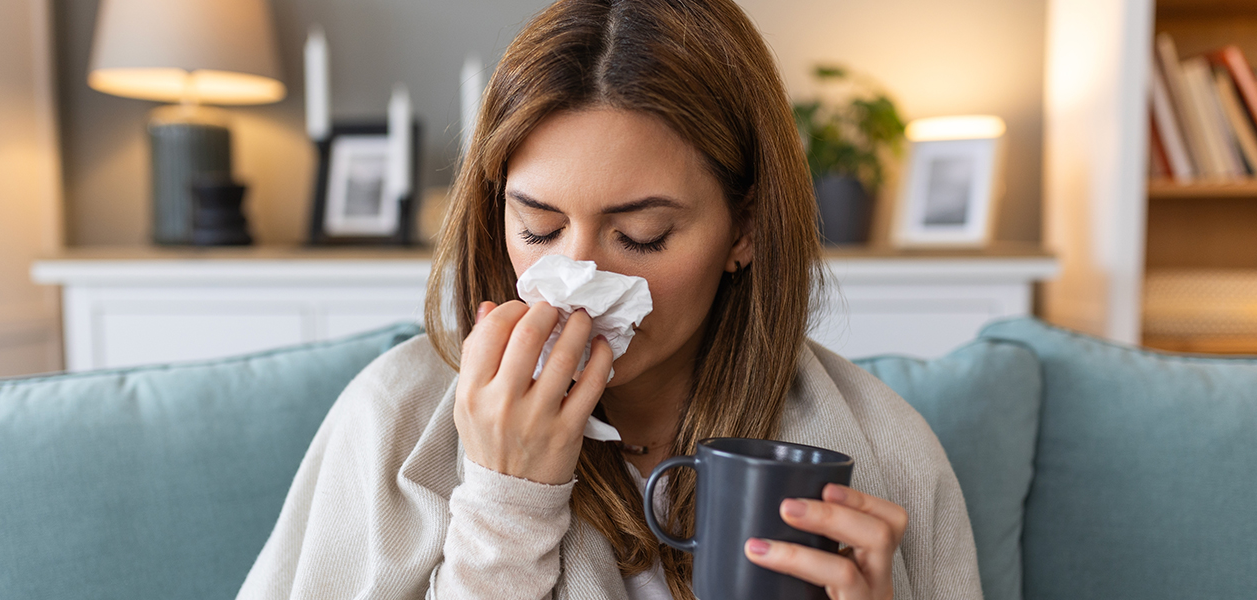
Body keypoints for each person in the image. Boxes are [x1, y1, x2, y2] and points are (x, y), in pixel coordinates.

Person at [237, 0, 982, 598]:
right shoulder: (390, 424)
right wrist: (503, 509)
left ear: (744, 229)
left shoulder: (886, 449)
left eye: (643, 236)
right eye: (538, 226)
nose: (576, 284)